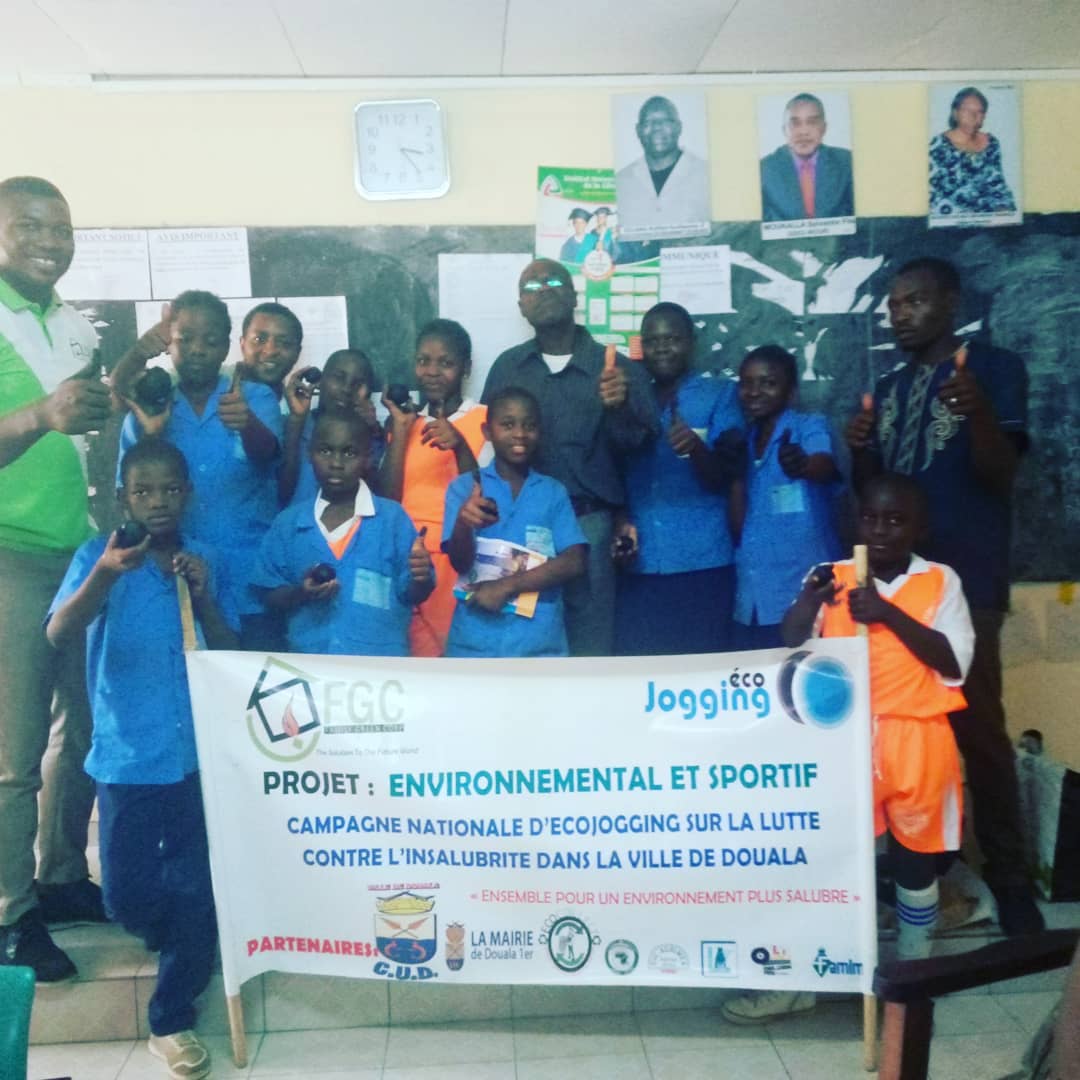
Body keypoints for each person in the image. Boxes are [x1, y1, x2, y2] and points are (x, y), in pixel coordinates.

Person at [723, 473, 974, 1024]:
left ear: (919, 528)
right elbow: (791, 638)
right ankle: (810, 976)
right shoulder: (830, 575)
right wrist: (809, 600)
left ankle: (912, 978)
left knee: (914, 861)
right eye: (870, 518)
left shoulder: (940, 581)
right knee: (829, 859)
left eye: (896, 520)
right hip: (842, 739)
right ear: (855, 522)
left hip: (916, 737)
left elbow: (954, 661)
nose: (880, 530)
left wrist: (888, 614)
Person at [846, 256, 1041, 935]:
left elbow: (1001, 472)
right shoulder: (890, 387)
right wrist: (860, 449)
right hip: (895, 589)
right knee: (893, 736)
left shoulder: (994, 369)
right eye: (894, 304)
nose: (900, 314)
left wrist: (979, 411)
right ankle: (917, 876)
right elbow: (879, 497)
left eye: (915, 301)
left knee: (977, 731)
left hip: (968, 582)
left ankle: (1010, 880)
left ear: (951, 303)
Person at [46, 438, 238, 1079]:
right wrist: (107, 572)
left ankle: (172, 1018)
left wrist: (205, 596)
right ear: (123, 498)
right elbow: (59, 631)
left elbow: (229, 649)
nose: (158, 502)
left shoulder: (201, 559)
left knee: (195, 886)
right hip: (127, 758)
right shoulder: (97, 557)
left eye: (170, 489)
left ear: (188, 494)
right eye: (144, 491)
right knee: (125, 898)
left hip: (196, 757)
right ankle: (182, 932)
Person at [0, 176, 113, 982]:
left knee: (86, 728)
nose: (50, 241)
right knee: (13, 750)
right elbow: (48, 420)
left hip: (80, 554)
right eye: (32, 226)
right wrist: (41, 415)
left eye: (62, 228)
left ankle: (63, 875)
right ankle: (11, 914)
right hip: (9, 555)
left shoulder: (74, 327)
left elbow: (85, 427)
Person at [482, 257, 659, 656]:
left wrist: (620, 407)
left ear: (575, 295)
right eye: (531, 287)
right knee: (518, 641)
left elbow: (641, 452)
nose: (543, 289)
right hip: (518, 525)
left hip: (589, 525)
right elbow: (487, 446)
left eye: (554, 281)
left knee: (590, 648)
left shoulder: (617, 370)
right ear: (521, 306)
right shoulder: (508, 367)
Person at [113, 290, 283, 648]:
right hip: (174, 577)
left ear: (226, 348)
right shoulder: (149, 408)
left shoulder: (254, 397)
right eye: (185, 339)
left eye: (210, 341)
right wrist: (152, 433)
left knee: (255, 673)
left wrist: (247, 424)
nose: (197, 350)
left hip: (250, 576)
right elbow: (129, 496)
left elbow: (271, 459)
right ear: (169, 345)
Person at [612, 302, 742, 654]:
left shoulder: (720, 395)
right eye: (652, 341)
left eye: (672, 339)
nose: (662, 348)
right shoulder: (629, 399)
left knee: (704, 670)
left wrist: (696, 449)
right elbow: (613, 469)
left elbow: (728, 475)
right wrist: (621, 523)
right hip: (640, 565)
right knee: (645, 670)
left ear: (691, 343)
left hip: (704, 563)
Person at [251, 410, 434, 656]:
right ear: (310, 453)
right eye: (326, 451)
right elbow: (268, 594)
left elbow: (413, 593)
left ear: (368, 458)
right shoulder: (289, 523)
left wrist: (421, 577)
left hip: (380, 668)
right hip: (310, 664)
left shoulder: (392, 520)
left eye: (349, 453)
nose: (336, 463)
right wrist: (301, 594)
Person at [442, 386, 586, 657]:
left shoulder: (552, 491)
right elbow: (459, 563)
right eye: (508, 425)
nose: (520, 434)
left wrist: (506, 586)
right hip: (475, 643)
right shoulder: (464, 487)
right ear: (487, 432)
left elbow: (574, 561)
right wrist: (463, 523)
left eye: (529, 426)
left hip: (538, 644)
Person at [380, 319, 487, 656]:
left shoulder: (485, 420)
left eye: (446, 362)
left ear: (466, 368)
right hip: (410, 560)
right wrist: (401, 431)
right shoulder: (406, 422)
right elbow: (387, 501)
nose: (432, 371)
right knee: (415, 663)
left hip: (463, 560)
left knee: (460, 659)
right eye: (423, 361)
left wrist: (460, 446)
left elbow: (488, 495)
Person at [730, 345, 841, 650]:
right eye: (747, 383)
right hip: (754, 599)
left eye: (768, 383)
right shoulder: (744, 442)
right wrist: (735, 476)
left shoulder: (808, 426)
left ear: (791, 392)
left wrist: (803, 465)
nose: (754, 392)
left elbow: (823, 464)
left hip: (804, 596)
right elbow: (739, 529)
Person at [279, 347, 383, 508]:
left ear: (369, 392)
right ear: (320, 381)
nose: (347, 389)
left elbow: (378, 498)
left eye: (358, 383)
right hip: (297, 522)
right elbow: (280, 492)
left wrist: (372, 431)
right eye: (339, 378)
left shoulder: (373, 436)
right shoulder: (293, 424)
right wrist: (296, 421)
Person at [615, 95, 711, 239]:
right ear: (638, 130)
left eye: (665, 121)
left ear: (679, 127)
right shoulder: (620, 182)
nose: (657, 127)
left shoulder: (707, 175)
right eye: (648, 122)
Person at [759, 93, 854, 221]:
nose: (803, 132)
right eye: (795, 123)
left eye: (812, 122)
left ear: (824, 128)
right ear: (784, 130)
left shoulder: (847, 163)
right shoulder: (764, 170)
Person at [929, 87, 1016, 217]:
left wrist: (1004, 212)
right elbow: (934, 197)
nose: (973, 116)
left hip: (989, 219)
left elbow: (998, 186)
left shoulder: (992, 144)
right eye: (967, 110)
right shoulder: (937, 146)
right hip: (953, 219)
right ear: (955, 113)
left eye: (979, 112)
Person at [237, 301, 303, 392]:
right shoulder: (219, 393)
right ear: (242, 344)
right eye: (258, 339)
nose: (270, 351)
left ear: (297, 353)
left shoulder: (292, 399)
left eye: (284, 342)